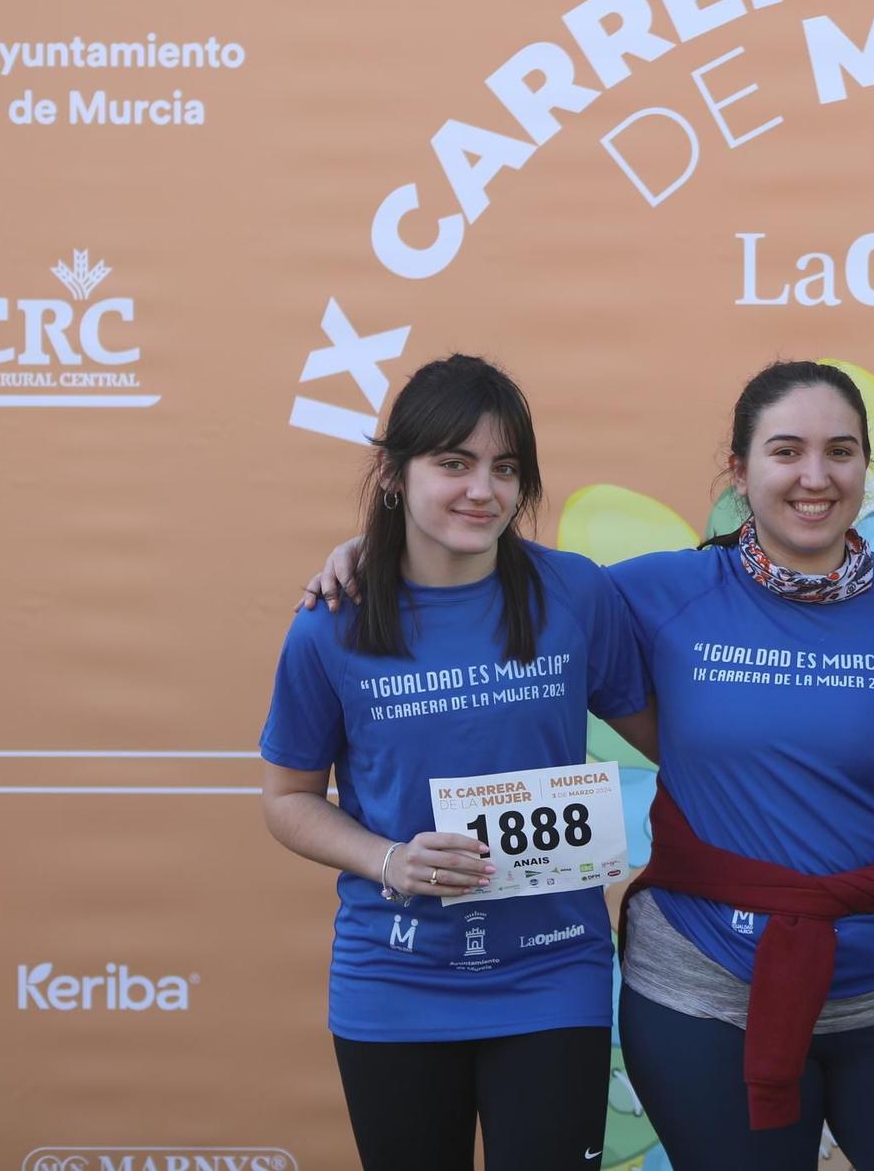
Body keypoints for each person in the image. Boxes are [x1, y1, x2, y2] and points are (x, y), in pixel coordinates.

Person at [302, 360, 874, 1171]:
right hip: (705, 984)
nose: (814, 475)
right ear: (739, 469)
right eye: (786, 450)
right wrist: (382, 552)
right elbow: (480, 582)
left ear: (867, 469)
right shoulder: (654, 591)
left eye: (840, 452)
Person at [262, 354, 652, 1170]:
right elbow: (289, 799)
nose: (483, 489)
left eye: (505, 468)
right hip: (394, 978)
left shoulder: (576, 595)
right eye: (454, 462)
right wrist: (389, 858)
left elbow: (676, 740)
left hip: (555, 970)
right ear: (396, 474)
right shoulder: (329, 624)